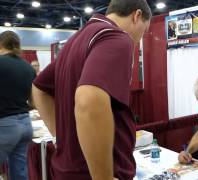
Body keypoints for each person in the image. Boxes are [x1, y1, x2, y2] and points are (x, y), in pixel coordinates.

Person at [31, 0, 151, 180]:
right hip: (93, 172)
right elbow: (88, 99)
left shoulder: (77, 40)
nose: (139, 39)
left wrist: (62, 138)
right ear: (137, 15)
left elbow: (39, 88)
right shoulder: (117, 38)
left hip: (67, 168)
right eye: (144, 30)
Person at [0, 31, 35, 180]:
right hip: (26, 124)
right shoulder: (28, 68)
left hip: (5, 125)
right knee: (19, 172)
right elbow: (34, 102)